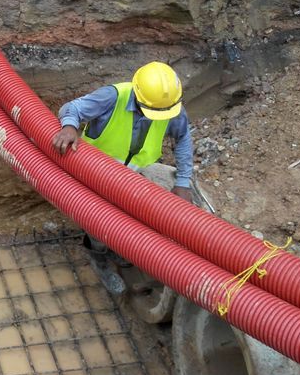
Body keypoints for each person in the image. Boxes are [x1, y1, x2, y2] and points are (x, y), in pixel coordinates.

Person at [52, 61, 194, 294]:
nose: (159, 117)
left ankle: (117, 244)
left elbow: (183, 138)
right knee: (98, 223)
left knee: (126, 219)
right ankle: (99, 257)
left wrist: (183, 182)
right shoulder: (112, 97)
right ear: (139, 96)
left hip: (131, 177)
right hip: (94, 175)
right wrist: (69, 127)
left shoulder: (167, 106)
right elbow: (73, 108)